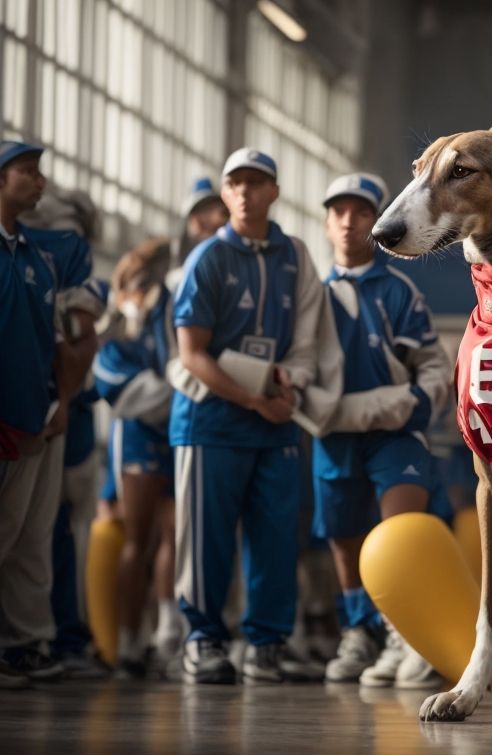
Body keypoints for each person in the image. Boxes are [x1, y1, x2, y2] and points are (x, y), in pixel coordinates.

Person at [168, 148, 332, 684]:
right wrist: (253, 400)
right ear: (224, 192)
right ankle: (204, 640)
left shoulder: (297, 257)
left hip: (275, 422)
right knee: (206, 538)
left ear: (274, 192)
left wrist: (290, 384)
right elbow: (192, 354)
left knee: (276, 537)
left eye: (256, 182)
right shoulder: (208, 259)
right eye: (235, 183)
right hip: (210, 423)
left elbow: (307, 345)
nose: (244, 192)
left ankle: (265, 645)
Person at [310, 173, 452, 686]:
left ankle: (404, 633)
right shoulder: (312, 294)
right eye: (338, 212)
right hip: (333, 438)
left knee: (399, 533)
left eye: (361, 212)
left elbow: (433, 366)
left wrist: (413, 401)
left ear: (376, 221)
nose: (349, 222)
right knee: (344, 539)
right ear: (326, 224)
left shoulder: (397, 289)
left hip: (396, 437)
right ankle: (359, 632)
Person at [0, 140, 101, 684]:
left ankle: (25, 645)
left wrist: (61, 399)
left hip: (39, 416)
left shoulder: (42, 257)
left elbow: (69, 343)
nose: (41, 184)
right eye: (28, 174)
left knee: (32, 537)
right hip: (9, 419)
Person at [94, 238, 181, 677]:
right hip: (136, 439)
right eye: (132, 284)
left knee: (173, 534)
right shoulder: (116, 321)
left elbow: (180, 364)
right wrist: (172, 395)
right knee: (137, 540)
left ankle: (167, 633)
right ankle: (129, 641)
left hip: (173, 435)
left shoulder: (169, 308)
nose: (139, 292)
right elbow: (113, 383)